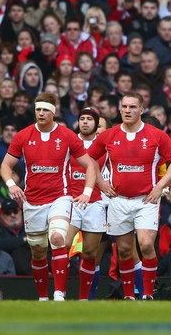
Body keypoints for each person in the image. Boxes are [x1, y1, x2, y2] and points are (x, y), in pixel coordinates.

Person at [1, 92, 103, 301]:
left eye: (45, 109)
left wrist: (86, 192)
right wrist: (11, 184)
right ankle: (43, 298)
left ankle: (58, 295)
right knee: (38, 251)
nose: (40, 113)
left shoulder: (67, 136)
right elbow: (5, 165)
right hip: (32, 201)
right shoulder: (22, 135)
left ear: (53, 112)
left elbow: (90, 166)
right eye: (38, 109)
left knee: (57, 238)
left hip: (60, 197)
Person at [87, 92, 171, 300]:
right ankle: (129, 296)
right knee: (123, 250)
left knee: (147, 245)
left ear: (141, 110)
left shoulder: (155, 134)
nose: (128, 110)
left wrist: (159, 187)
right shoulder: (109, 135)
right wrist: (101, 182)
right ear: (120, 109)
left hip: (145, 200)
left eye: (132, 107)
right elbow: (87, 158)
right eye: (124, 107)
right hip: (118, 201)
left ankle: (148, 294)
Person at [65, 107, 110, 300]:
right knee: (63, 245)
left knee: (91, 253)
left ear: (96, 123)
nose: (85, 122)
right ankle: (60, 293)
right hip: (71, 201)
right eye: (82, 119)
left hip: (95, 203)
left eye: (89, 119)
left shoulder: (105, 145)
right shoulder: (69, 142)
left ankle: (84, 299)